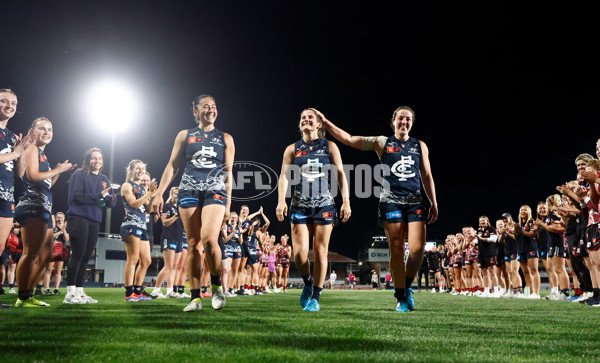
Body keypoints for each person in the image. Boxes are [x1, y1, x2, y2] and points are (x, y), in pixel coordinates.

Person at [318, 106, 438, 312]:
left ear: (412, 122)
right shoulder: (382, 142)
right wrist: (326, 122)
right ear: (394, 121)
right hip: (390, 200)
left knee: (417, 251)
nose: (404, 122)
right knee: (398, 249)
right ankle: (401, 297)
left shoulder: (420, 145)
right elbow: (348, 139)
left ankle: (406, 286)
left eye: (408, 119)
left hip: (415, 201)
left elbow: (426, 175)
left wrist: (433, 202)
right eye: (401, 118)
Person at [152, 94, 234, 312]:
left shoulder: (226, 138)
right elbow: (172, 166)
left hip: (214, 190)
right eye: (205, 107)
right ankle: (195, 299)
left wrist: (228, 205)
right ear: (195, 112)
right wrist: (160, 193)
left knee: (209, 240)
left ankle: (216, 287)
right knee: (193, 245)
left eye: (214, 106)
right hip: (188, 189)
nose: (211, 110)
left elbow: (228, 173)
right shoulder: (184, 135)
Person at [276, 108, 351, 312]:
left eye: (310, 117)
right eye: (302, 118)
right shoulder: (292, 149)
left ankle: (315, 297)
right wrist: (281, 200)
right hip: (299, 204)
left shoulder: (330, 146)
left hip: (324, 204)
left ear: (319, 124)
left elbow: (341, 174)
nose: (306, 120)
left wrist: (346, 201)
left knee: (320, 251)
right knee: (300, 255)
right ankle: (308, 282)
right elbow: (283, 176)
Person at [14, 117, 76, 307]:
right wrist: (56, 169)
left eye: (50, 129)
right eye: (42, 128)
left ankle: (28, 294)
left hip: (43, 207)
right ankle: (23, 297)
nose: (47, 132)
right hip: (32, 206)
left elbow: (45, 183)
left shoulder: (41, 153)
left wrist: (57, 172)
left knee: (45, 255)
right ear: (33, 132)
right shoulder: (32, 148)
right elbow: (32, 177)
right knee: (31, 253)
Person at [63, 147, 116, 304]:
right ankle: (70, 294)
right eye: (94, 158)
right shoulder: (79, 174)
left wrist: (109, 199)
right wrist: (97, 196)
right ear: (87, 160)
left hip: (94, 220)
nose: (97, 161)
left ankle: (79, 292)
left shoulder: (104, 179)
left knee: (86, 257)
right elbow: (76, 197)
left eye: (99, 158)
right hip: (78, 217)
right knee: (77, 255)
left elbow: (112, 203)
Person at [0, 89, 35, 308]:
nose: (9, 105)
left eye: (13, 102)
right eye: (4, 101)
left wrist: (21, 153)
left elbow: (19, 173)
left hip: (5, 196)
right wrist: (14, 153)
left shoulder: (12, 136)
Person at [120, 159, 157, 302]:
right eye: (138, 168)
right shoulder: (126, 185)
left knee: (146, 261)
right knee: (133, 259)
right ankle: (129, 294)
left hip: (142, 226)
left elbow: (148, 210)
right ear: (130, 170)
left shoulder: (142, 188)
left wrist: (152, 196)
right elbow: (134, 204)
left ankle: (137, 291)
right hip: (131, 224)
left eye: (143, 168)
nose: (141, 171)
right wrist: (148, 194)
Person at [151, 187, 184, 298]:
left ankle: (170, 291)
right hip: (168, 237)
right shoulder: (167, 206)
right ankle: (156, 290)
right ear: (171, 194)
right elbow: (165, 223)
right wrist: (177, 215)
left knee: (174, 266)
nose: (177, 197)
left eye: (179, 195)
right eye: (175, 194)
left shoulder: (180, 208)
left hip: (179, 239)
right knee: (168, 266)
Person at [44, 212, 69, 295]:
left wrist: (64, 230)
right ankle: (47, 289)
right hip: (52, 249)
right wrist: (60, 232)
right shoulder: (52, 226)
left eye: (61, 217)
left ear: (64, 219)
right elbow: (51, 236)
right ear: (55, 218)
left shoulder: (65, 228)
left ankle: (56, 289)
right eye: (58, 217)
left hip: (61, 250)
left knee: (58, 271)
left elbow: (66, 239)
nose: (60, 219)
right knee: (49, 269)